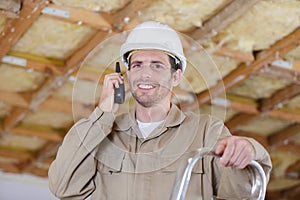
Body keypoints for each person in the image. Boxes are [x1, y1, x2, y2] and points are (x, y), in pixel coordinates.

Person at [48, 21, 272, 200]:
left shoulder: (206, 132)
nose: (145, 74)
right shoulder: (103, 134)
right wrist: (103, 113)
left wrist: (249, 150)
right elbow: (63, 187)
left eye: (157, 65)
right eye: (137, 65)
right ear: (126, 74)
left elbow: (243, 194)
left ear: (175, 76)